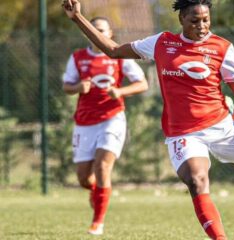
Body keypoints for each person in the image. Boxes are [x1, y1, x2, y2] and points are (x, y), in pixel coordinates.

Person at [62, 0, 234, 239]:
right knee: (196, 181)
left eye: (206, 20)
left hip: (221, 124)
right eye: (194, 21)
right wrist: (77, 18)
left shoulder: (222, 47)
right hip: (183, 133)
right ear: (181, 20)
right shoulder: (161, 43)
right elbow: (113, 51)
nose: (202, 26)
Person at [62, 16, 148, 235]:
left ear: (110, 34)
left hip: (113, 117)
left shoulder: (119, 56)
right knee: (83, 178)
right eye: (94, 29)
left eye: (102, 30)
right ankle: (98, 192)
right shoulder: (78, 57)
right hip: (84, 122)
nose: (98, 33)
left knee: (103, 167)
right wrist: (78, 87)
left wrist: (120, 91)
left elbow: (142, 83)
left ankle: (97, 222)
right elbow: (66, 86)